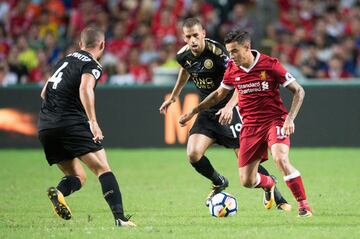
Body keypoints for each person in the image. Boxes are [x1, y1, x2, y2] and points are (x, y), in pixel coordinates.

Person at [159, 18, 291, 211]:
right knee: (193, 154)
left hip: (230, 109)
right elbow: (185, 71)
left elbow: (241, 79)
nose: (193, 40)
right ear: (184, 37)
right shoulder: (183, 55)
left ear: (203, 33)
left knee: (244, 160)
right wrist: (173, 97)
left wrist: (229, 106)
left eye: (196, 35)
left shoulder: (219, 53)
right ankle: (219, 181)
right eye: (188, 37)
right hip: (207, 109)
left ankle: (277, 195)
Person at [179, 29, 312, 217]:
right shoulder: (232, 70)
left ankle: (303, 206)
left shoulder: (270, 65)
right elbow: (218, 94)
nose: (230, 56)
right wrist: (193, 111)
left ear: (247, 47)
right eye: (229, 51)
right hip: (249, 127)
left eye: (234, 51)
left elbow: (299, 91)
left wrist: (290, 119)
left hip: (275, 121)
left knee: (280, 158)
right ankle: (270, 184)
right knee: (247, 181)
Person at [38, 26, 136, 227]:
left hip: (46, 126)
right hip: (70, 122)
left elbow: (43, 93)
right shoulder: (93, 64)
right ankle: (120, 219)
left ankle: (59, 192)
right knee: (103, 170)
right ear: (102, 45)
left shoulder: (64, 60)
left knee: (77, 176)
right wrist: (92, 121)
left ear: (80, 44)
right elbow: (85, 88)